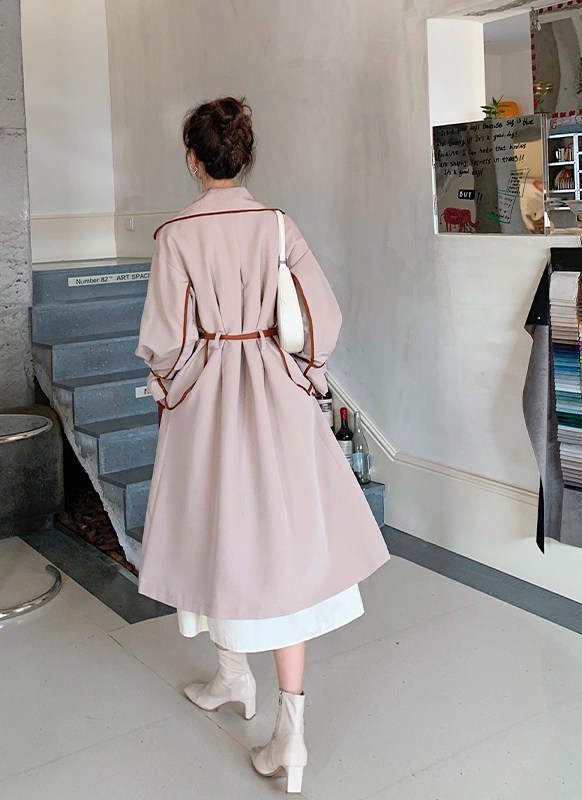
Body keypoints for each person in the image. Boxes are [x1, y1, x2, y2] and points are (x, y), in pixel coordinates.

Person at [135, 96, 389, 794]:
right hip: (277, 394)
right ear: (244, 156)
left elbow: (167, 340)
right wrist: (303, 372)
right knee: (281, 549)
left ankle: (238, 681)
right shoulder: (278, 224)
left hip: (207, 400)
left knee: (217, 533)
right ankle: (278, 721)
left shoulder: (175, 235)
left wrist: (169, 389)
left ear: (193, 158)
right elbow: (320, 316)